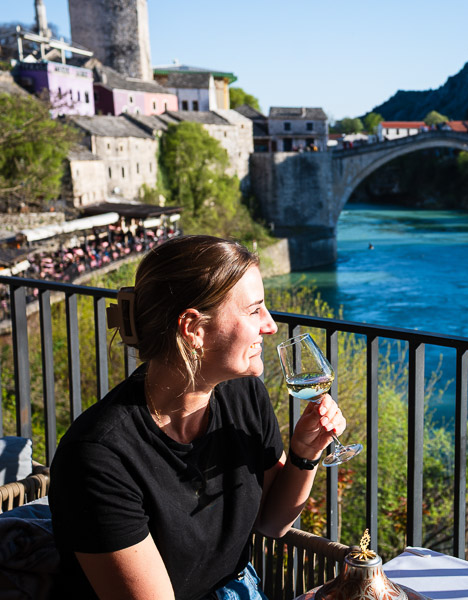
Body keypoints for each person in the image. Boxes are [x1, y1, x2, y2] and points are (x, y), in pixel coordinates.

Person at [48, 235, 346, 600]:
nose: (269, 325)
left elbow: (272, 522)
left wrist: (305, 452)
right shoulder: (99, 458)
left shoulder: (243, 393)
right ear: (194, 329)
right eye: (254, 310)